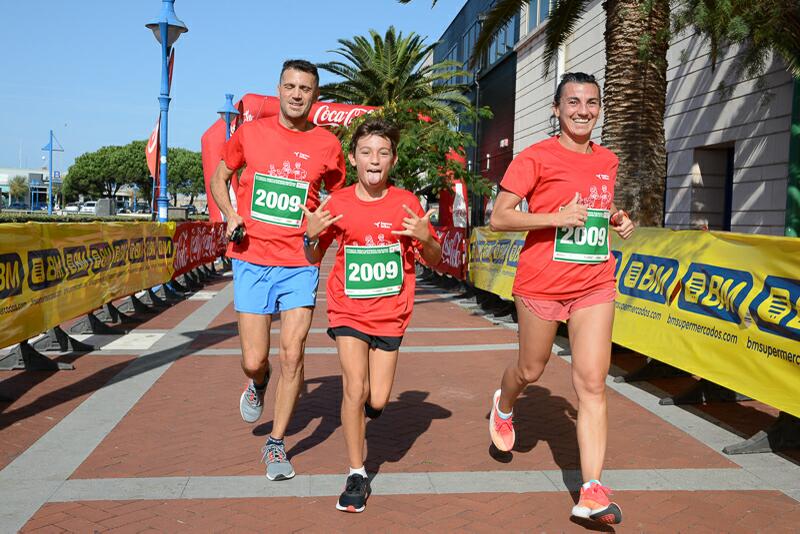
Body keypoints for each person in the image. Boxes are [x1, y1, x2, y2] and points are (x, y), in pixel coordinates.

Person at [487, 72, 635, 525]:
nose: (583, 110)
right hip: (541, 284)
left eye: (592, 102)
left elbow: (593, 206)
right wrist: (556, 217)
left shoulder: (607, 159)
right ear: (557, 109)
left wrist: (615, 218)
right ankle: (504, 403)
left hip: (594, 282)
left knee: (592, 384)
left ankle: (591, 490)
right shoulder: (535, 157)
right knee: (531, 369)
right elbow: (499, 218)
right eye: (573, 102)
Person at [209, 59, 346, 481]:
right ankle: (258, 381)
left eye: (305, 88)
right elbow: (219, 178)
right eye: (290, 86)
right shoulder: (250, 133)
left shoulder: (327, 144)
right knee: (255, 358)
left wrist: (321, 234)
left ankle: (276, 444)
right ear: (279, 89)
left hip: (299, 263)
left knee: (294, 352)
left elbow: (339, 200)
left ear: (315, 96)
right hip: (251, 258)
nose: (297, 94)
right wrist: (230, 213)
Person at [301, 118, 442, 513]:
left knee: (377, 398)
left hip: (391, 313)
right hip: (348, 308)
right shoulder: (337, 202)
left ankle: (363, 414)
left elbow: (433, 257)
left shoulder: (407, 203)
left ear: (393, 160)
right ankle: (356, 472)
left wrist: (425, 237)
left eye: (382, 153)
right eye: (366, 153)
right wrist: (311, 233)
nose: (374, 160)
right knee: (355, 389)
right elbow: (312, 256)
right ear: (353, 159)